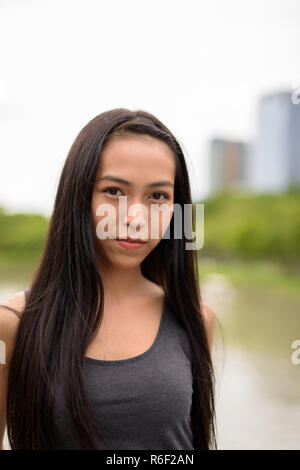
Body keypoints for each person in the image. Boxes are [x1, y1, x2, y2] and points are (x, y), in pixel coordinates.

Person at [0, 108, 216, 450]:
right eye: (114, 191)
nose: (136, 217)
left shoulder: (195, 319)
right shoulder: (12, 324)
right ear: (79, 196)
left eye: (158, 196)